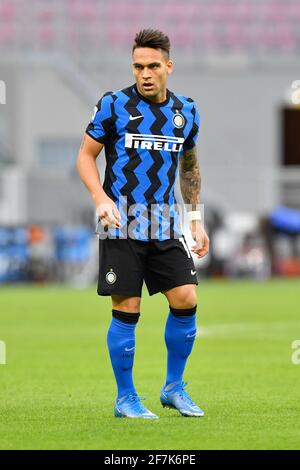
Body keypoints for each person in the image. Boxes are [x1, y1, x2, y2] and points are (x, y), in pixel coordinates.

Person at [77, 29, 209, 418]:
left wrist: (196, 219)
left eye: (153, 66)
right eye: (138, 66)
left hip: (166, 223)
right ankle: (126, 398)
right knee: (128, 307)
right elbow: (85, 157)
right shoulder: (113, 105)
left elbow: (189, 166)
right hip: (121, 222)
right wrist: (100, 199)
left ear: (169, 66)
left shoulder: (187, 111)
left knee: (186, 298)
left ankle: (173, 387)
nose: (145, 74)